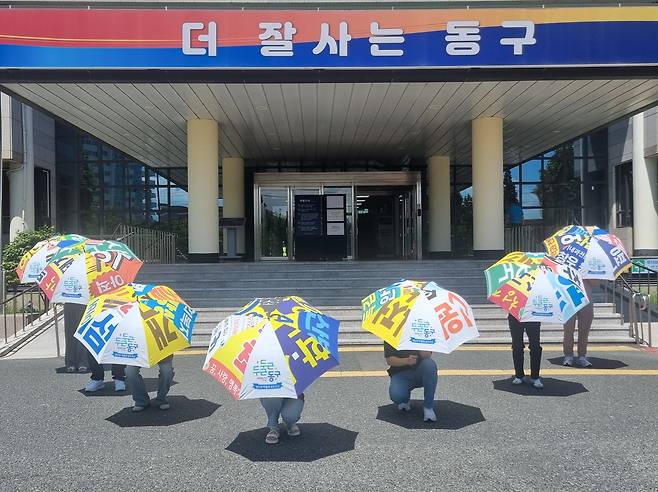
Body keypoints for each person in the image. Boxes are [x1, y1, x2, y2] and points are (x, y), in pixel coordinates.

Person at [384, 342, 437, 422]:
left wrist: (420, 346)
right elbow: (390, 360)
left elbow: (427, 356)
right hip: (400, 373)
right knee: (397, 397)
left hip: (420, 372)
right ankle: (404, 398)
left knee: (430, 364)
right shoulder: (393, 333)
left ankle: (428, 407)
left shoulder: (422, 332)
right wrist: (407, 361)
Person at [563, 280, 597, 367]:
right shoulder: (566, 266)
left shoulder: (589, 267)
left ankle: (582, 356)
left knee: (584, 330)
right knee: (568, 330)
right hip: (569, 299)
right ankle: (568, 355)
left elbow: (595, 283)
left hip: (586, 299)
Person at [508, 314, 543, 389]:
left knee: (535, 346)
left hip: (533, 315)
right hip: (515, 314)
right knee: (517, 345)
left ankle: (535, 377)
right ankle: (519, 375)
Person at [63, 303, 88, 373]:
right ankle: (70, 362)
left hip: (84, 301)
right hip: (69, 301)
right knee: (70, 332)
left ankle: (83, 362)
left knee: (82, 332)